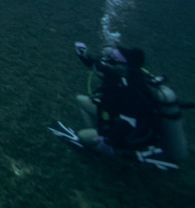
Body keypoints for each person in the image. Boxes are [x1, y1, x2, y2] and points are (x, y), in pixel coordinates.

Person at [50, 42, 189, 170]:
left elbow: (130, 122)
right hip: (117, 120)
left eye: (113, 59)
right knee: (81, 100)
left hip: (135, 133)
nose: (108, 62)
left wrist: (108, 140)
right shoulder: (122, 73)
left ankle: (135, 153)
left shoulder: (132, 89)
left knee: (83, 136)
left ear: (123, 65)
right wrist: (83, 54)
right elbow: (97, 65)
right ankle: (98, 133)